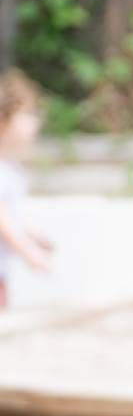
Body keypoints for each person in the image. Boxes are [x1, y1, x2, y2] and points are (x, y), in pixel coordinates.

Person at [0, 69, 53, 309]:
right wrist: (28, 251)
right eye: (27, 114)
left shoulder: (12, 168)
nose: (35, 122)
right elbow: (3, 219)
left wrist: (32, 234)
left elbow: (12, 215)